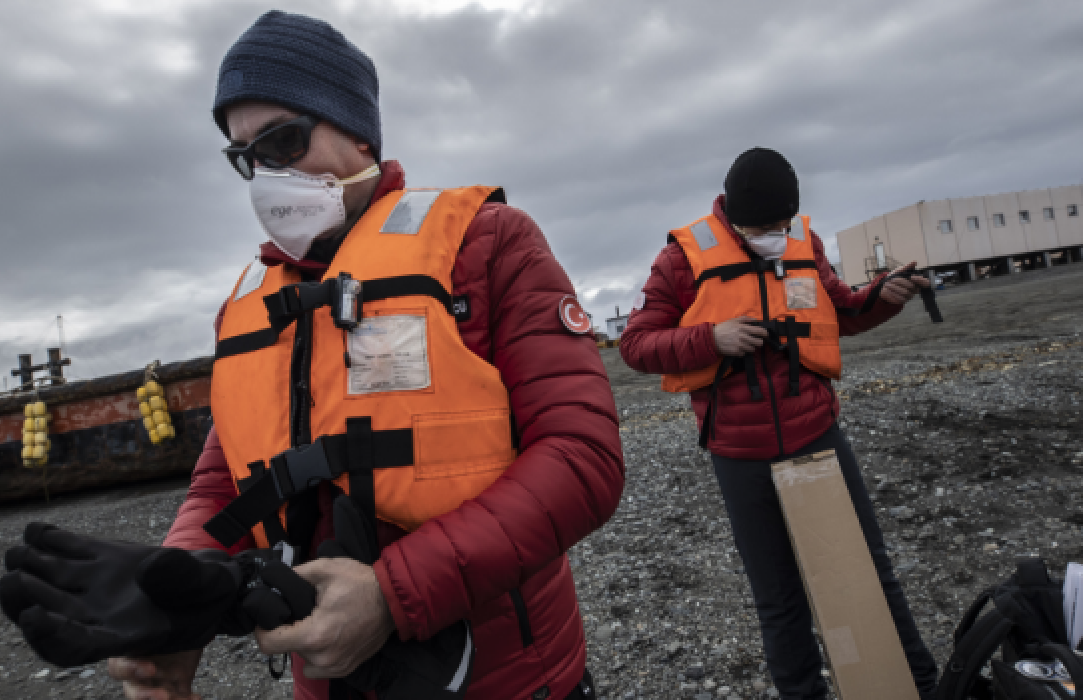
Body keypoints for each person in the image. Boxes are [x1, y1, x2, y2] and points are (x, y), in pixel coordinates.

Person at [107, 11, 624, 700]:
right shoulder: (251, 305)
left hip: (510, 679)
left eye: (283, 140)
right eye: (246, 158)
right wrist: (176, 601)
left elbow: (582, 456)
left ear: (358, 133)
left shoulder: (487, 244)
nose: (267, 173)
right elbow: (223, 485)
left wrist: (392, 593)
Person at [620, 148, 939, 700]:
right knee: (779, 595)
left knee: (867, 570)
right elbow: (636, 345)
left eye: (784, 223)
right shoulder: (680, 259)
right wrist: (710, 338)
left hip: (817, 433)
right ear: (734, 214)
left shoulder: (804, 244)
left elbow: (839, 313)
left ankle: (919, 685)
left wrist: (882, 297)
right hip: (740, 455)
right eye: (765, 226)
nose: (777, 232)